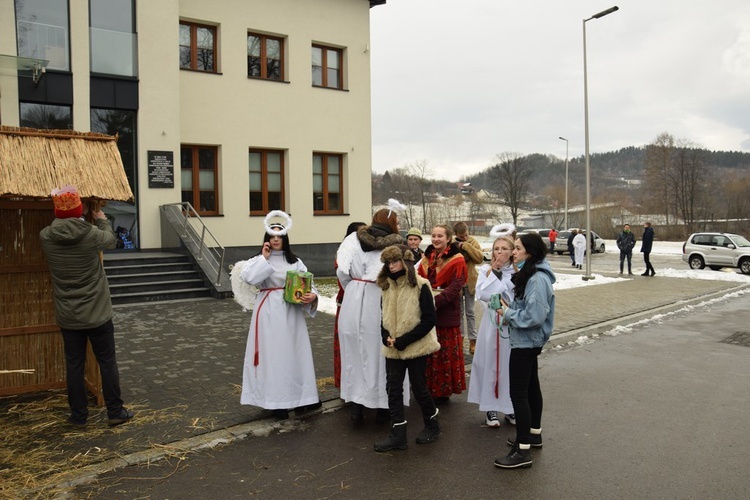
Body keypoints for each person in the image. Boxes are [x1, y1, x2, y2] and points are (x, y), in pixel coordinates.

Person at [39, 185, 133, 427]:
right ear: (80, 209)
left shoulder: (45, 236)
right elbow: (110, 240)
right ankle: (115, 411)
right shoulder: (91, 234)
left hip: (68, 314)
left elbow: (61, 227)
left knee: (74, 364)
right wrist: (101, 219)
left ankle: (79, 416)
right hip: (98, 313)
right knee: (107, 361)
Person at [238, 212, 319, 420]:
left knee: (295, 354)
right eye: (271, 235)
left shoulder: (295, 261)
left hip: (291, 313)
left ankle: (302, 398)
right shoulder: (258, 260)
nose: (275, 239)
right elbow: (249, 278)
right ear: (266, 239)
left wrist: (313, 296)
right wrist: (264, 258)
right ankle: (276, 401)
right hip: (269, 314)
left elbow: (310, 284)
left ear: (285, 238)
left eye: (279, 235)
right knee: (273, 356)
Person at [337, 201, 404, 422]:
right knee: (380, 351)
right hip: (379, 297)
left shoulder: (351, 239)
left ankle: (357, 404)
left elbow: (342, 272)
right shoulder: (396, 247)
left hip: (353, 299)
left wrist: (354, 291)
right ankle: (382, 406)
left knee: (355, 351)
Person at [494, 232, 556, 469]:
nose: (513, 252)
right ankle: (532, 435)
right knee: (531, 389)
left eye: (517, 248)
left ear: (529, 252)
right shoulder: (531, 274)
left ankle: (522, 450)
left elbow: (535, 316)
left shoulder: (537, 278)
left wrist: (507, 313)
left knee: (518, 394)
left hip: (526, 342)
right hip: (526, 340)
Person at [373, 245, 441, 452]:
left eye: (395, 261)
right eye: (388, 262)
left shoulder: (421, 285)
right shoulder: (386, 287)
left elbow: (429, 320)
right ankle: (398, 435)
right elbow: (383, 318)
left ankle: (432, 425)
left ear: (406, 262)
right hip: (393, 348)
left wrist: (404, 340)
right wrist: (386, 337)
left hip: (416, 346)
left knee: (419, 388)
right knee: (393, 389)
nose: (391, 266)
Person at [468, 230, 516, 428]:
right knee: (491, 363)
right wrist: (494, 273)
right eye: (497, 248)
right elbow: (484, 294)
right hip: (491, 323)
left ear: (513, 252)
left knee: (510, 366)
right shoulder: (485, 270)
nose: (500, 252)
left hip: (511, 323)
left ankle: (510, 407)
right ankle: (491, 407)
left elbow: (514, 296)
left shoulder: (517, 271)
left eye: (505, 248)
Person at [417, 224, 468, 404]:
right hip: (427, 312)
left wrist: (433, 303)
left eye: (440, 236)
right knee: (428, 352)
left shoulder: (457, 259)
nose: (436, 239)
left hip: (446, 312)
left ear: (448, 238)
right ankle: (427, 388)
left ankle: (443, 391)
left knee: (444, 351)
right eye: (433, 235)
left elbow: (455, 286)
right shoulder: (426, 257)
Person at [334, 222, 366, 388]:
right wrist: (355, 292)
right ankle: (346, 381)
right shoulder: (345, 253)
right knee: (347, 344)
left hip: (361, 302)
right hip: (347, 303)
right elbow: (343, 277)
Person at [453, 222, 484, 355]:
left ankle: (473, 341)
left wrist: (466, 245)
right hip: (457, 282)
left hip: (470, 281)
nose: (465, 237)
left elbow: (479, 258)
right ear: (456, 235)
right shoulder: (452, 243)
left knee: (470, 312)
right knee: (459, 313)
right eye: (462, 236)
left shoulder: (472, 242)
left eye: (466, 235)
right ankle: (460, 340)